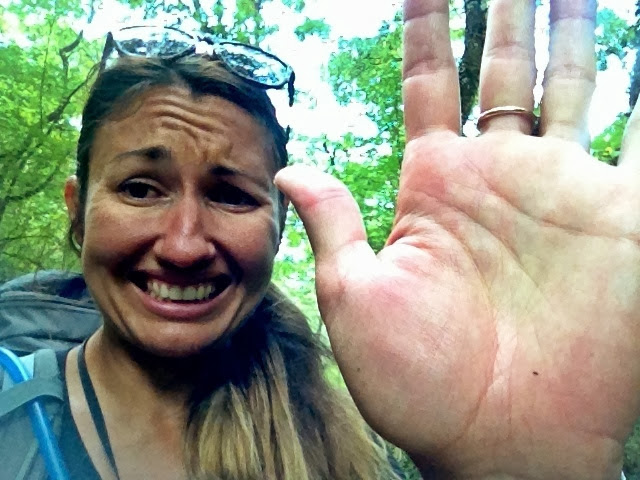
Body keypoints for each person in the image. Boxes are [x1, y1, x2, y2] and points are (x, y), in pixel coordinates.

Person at [1, 0, 639, 479]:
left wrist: (514, 462)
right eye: (141, 188)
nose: (184, 245)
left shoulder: (354, 448)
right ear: (78, 211)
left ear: (281, 225)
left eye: (231, 195)